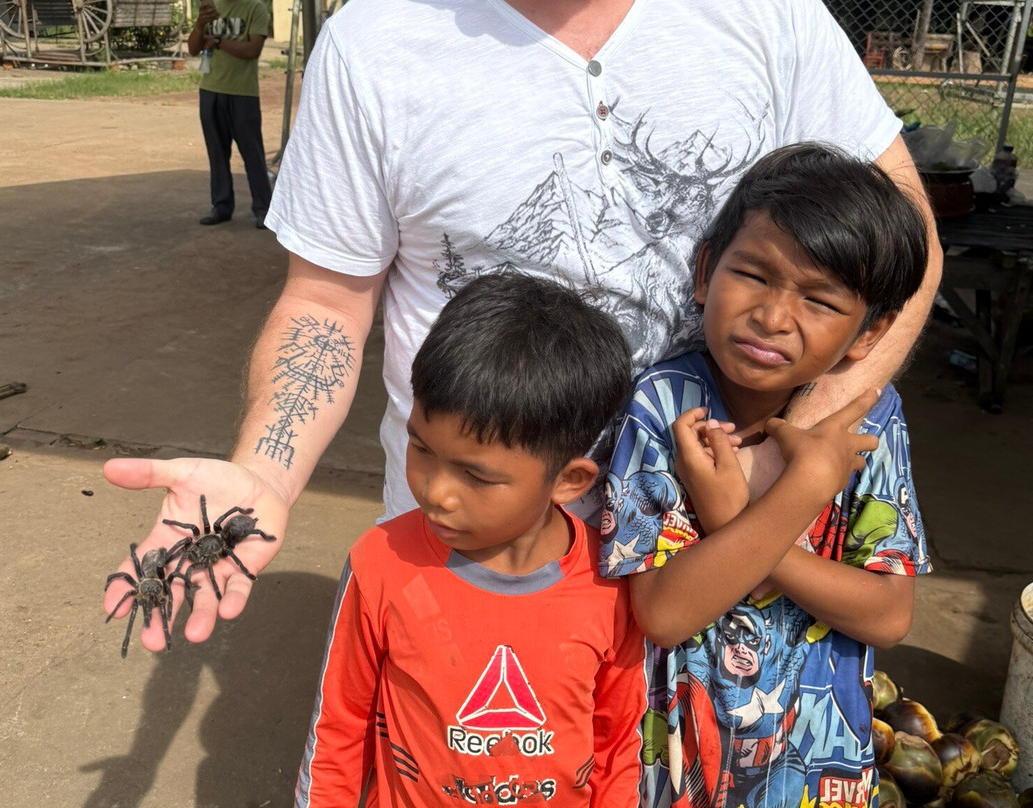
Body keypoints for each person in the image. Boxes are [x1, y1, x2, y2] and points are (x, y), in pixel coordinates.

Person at [102, 0, 942, 654]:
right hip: (480, 552)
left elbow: (907, 239)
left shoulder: (768, 15)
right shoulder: (374, 42)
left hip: (706, 559)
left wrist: (785, 454)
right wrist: (265, 476)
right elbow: (328, 300)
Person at [598, 143, 932, 808]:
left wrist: (735, 520)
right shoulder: (666, 406)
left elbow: (889, 616)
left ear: (871, 333)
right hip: (672, 774)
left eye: (819, 300)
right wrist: (802, 490)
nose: (774, 316)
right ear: (704, 272)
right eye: (753, 274)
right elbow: (662, 613)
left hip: (817, 775)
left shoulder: (872, 421)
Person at [294, 273, 647, 806]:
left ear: (568, 481)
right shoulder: (380, 564)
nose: (437, 493)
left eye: (477, 477)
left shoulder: (611, 582)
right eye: (420, 448)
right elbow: (338, 731)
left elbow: (619, 742)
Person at [187, 0, 272, 228]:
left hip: (243, 92)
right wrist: (199, 25)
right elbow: (193, 49)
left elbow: (252, 50)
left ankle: (264, 210)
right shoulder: (210, 7)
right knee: (217, 153)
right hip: (210, 90)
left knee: (252, 154)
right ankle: (221, 206)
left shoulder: (256, 8)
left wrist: (217, 41)